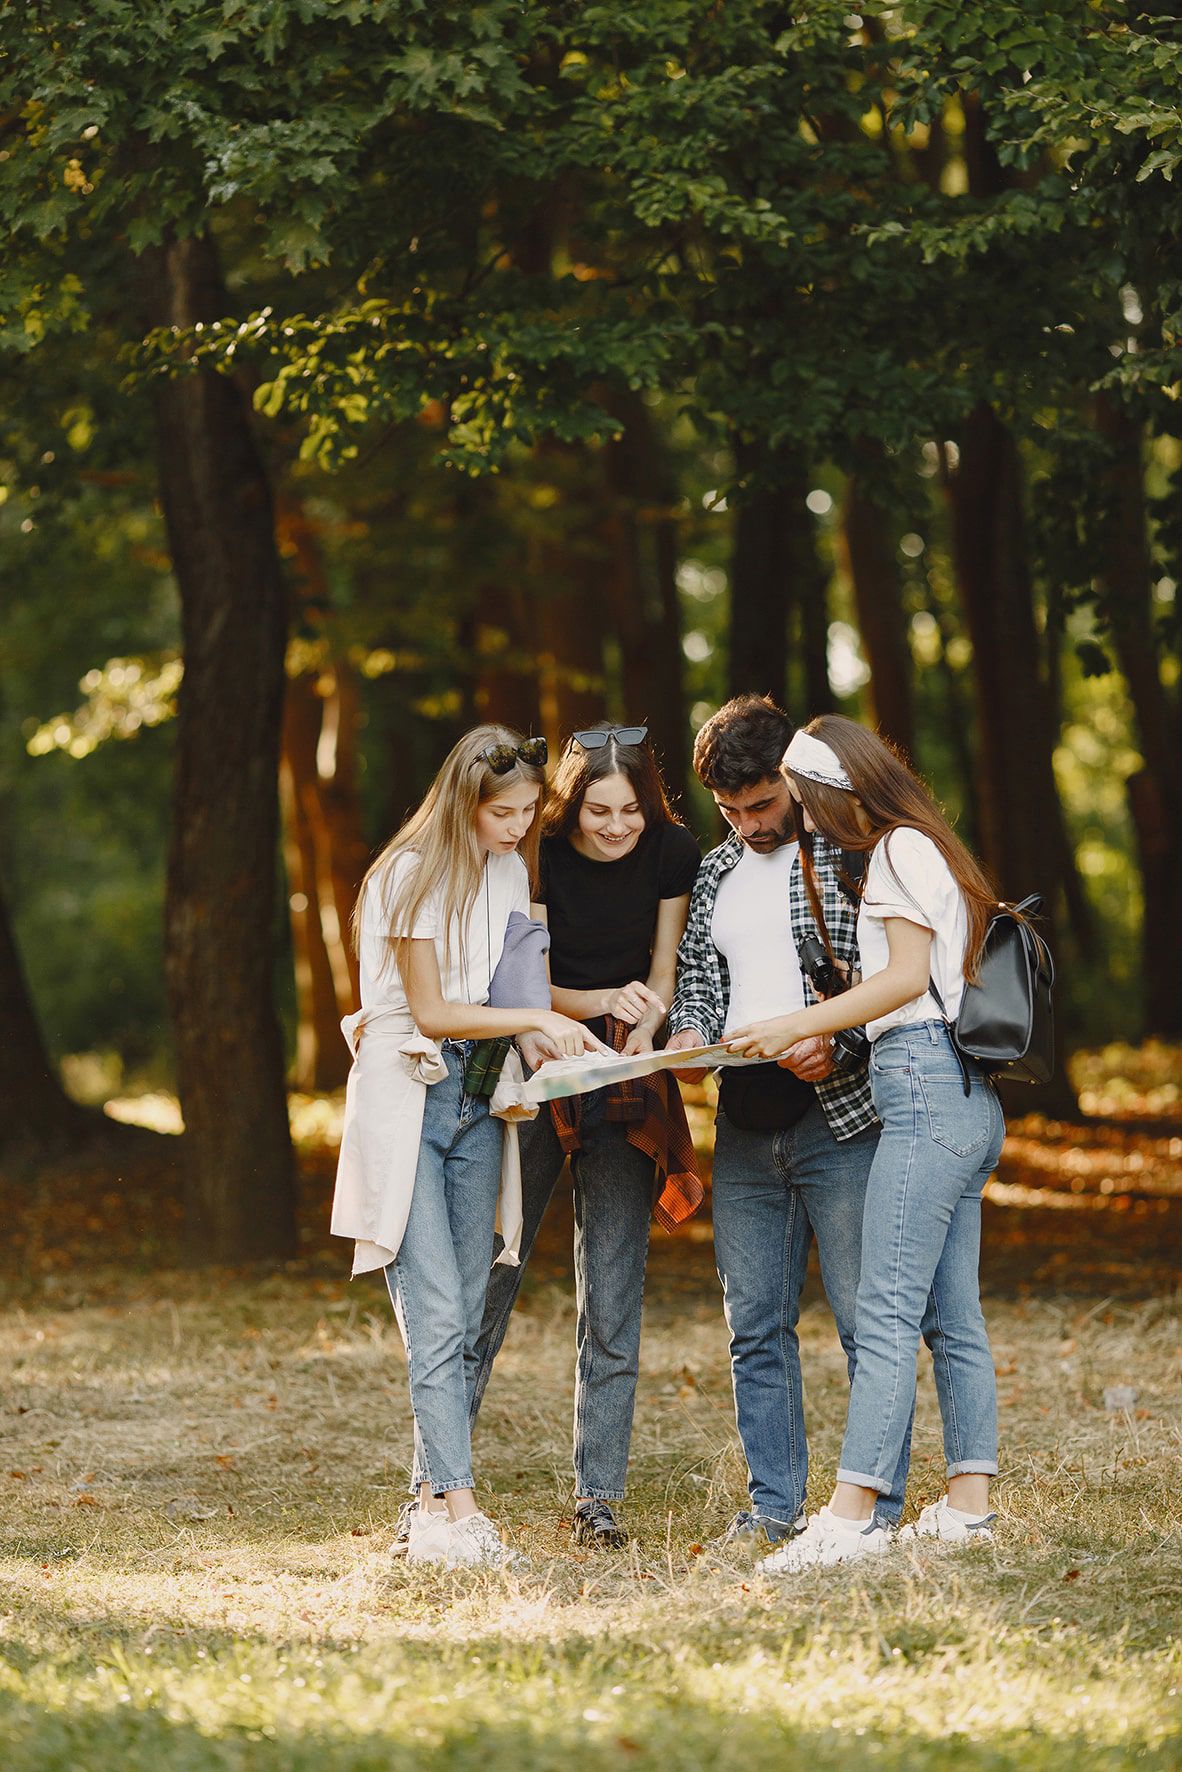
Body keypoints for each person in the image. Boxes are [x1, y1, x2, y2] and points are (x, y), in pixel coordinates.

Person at [727, 714, 1006, 1573]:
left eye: (804, 801)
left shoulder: (892, 852)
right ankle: (968, 1507)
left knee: (884, 1310)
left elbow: (905, 979)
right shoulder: (929, 845)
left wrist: (794, 1023)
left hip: (922, 1087)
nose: (803, 819)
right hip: (965, 1093)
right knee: (952, 1317)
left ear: (834, 791)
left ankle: (848, 1520)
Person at [330, 725, 601, 1570]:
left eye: (527, 813)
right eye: (503, 813)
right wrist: (535, 1017)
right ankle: (463, 1511)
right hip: (407, 1097)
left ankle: (426, 1512)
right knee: (437, 1310)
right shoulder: (407, 875)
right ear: (463, 801)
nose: (518, 828)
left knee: (468, 1306)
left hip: (480, 1100)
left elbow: (512, 994)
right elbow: (435, 1012)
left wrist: (558, 1036)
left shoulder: (510, 871)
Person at [664, 695, 909, 1547]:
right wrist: (688, 1032)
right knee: (755, 1328)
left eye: (763, 804)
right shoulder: (715, 872)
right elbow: (699, 978)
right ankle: (774, 1509)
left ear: (793, 780)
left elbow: (893, 980)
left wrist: (838, 1042)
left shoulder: (850, 856)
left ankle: (877, 1510)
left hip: (841, 1118)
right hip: (744, 1122)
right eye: (730, 811)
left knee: (866, 1322)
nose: (750, 825)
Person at [466, 722, 702, 1549]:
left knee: (613, 1290)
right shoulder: (538, 855)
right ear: (571, 807)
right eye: (599, 811)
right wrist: (604, 1001)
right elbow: (530, 988)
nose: (616, 826)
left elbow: (663, 970)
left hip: (627, 1071)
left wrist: (646, 1026)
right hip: (543, 1064)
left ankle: (598, 1498)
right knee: (493, 1271)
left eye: (630, 811)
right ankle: (439, 1482)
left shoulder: (673, 851)